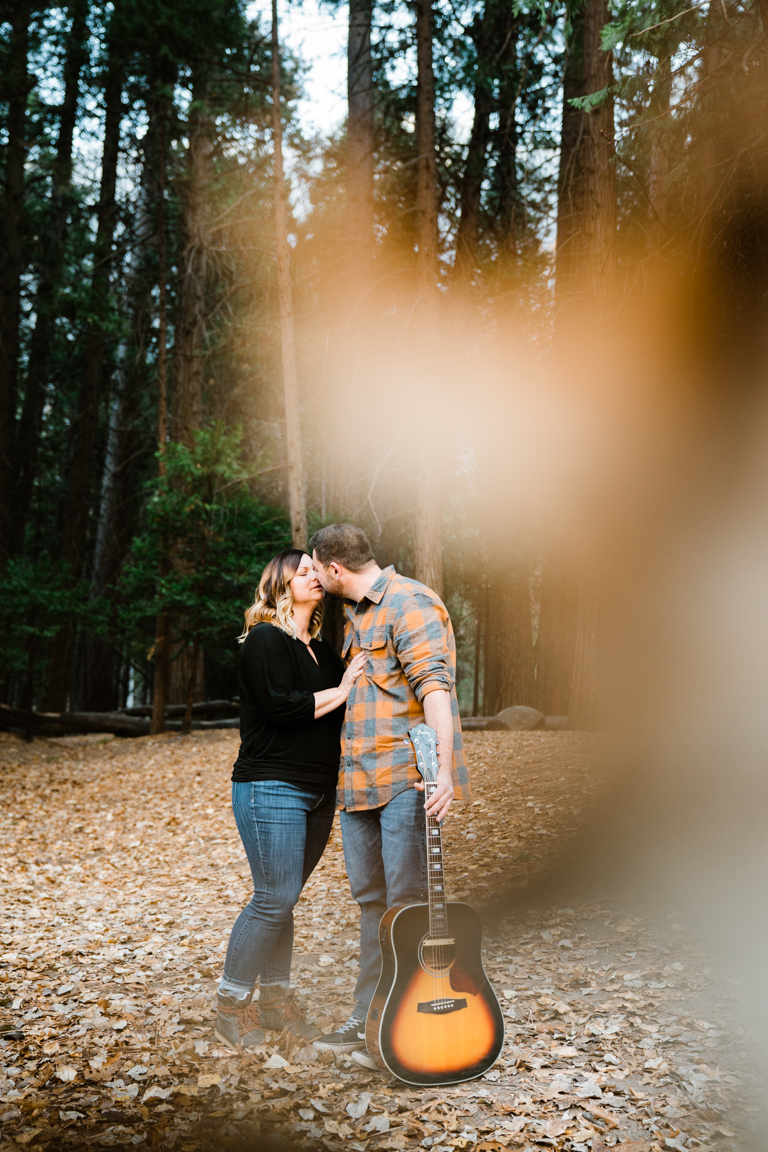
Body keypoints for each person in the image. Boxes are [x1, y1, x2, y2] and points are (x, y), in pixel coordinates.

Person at [308, 523, 471, 1067]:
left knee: (408, 907)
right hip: (357, 788)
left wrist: (442, 771)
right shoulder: (356, 617)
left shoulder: (411, 602)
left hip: (405, 780)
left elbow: (435, 689)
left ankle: (413, 1022)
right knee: (373, 908)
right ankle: (371, 1016)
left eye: (316, 569)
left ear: (334, 569)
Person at [215, 549, 366, 1052]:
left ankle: (276, 1009)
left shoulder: (323, 651)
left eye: (315, 570)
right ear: (281, 585)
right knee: (273, 897)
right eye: (302, 571)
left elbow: (339, 713)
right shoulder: (264, 641)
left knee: (284, 898)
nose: (314, 577)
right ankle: (230, 1011)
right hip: (270, 785)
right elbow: (283, 709)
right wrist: (343, 689)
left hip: (319, 791)